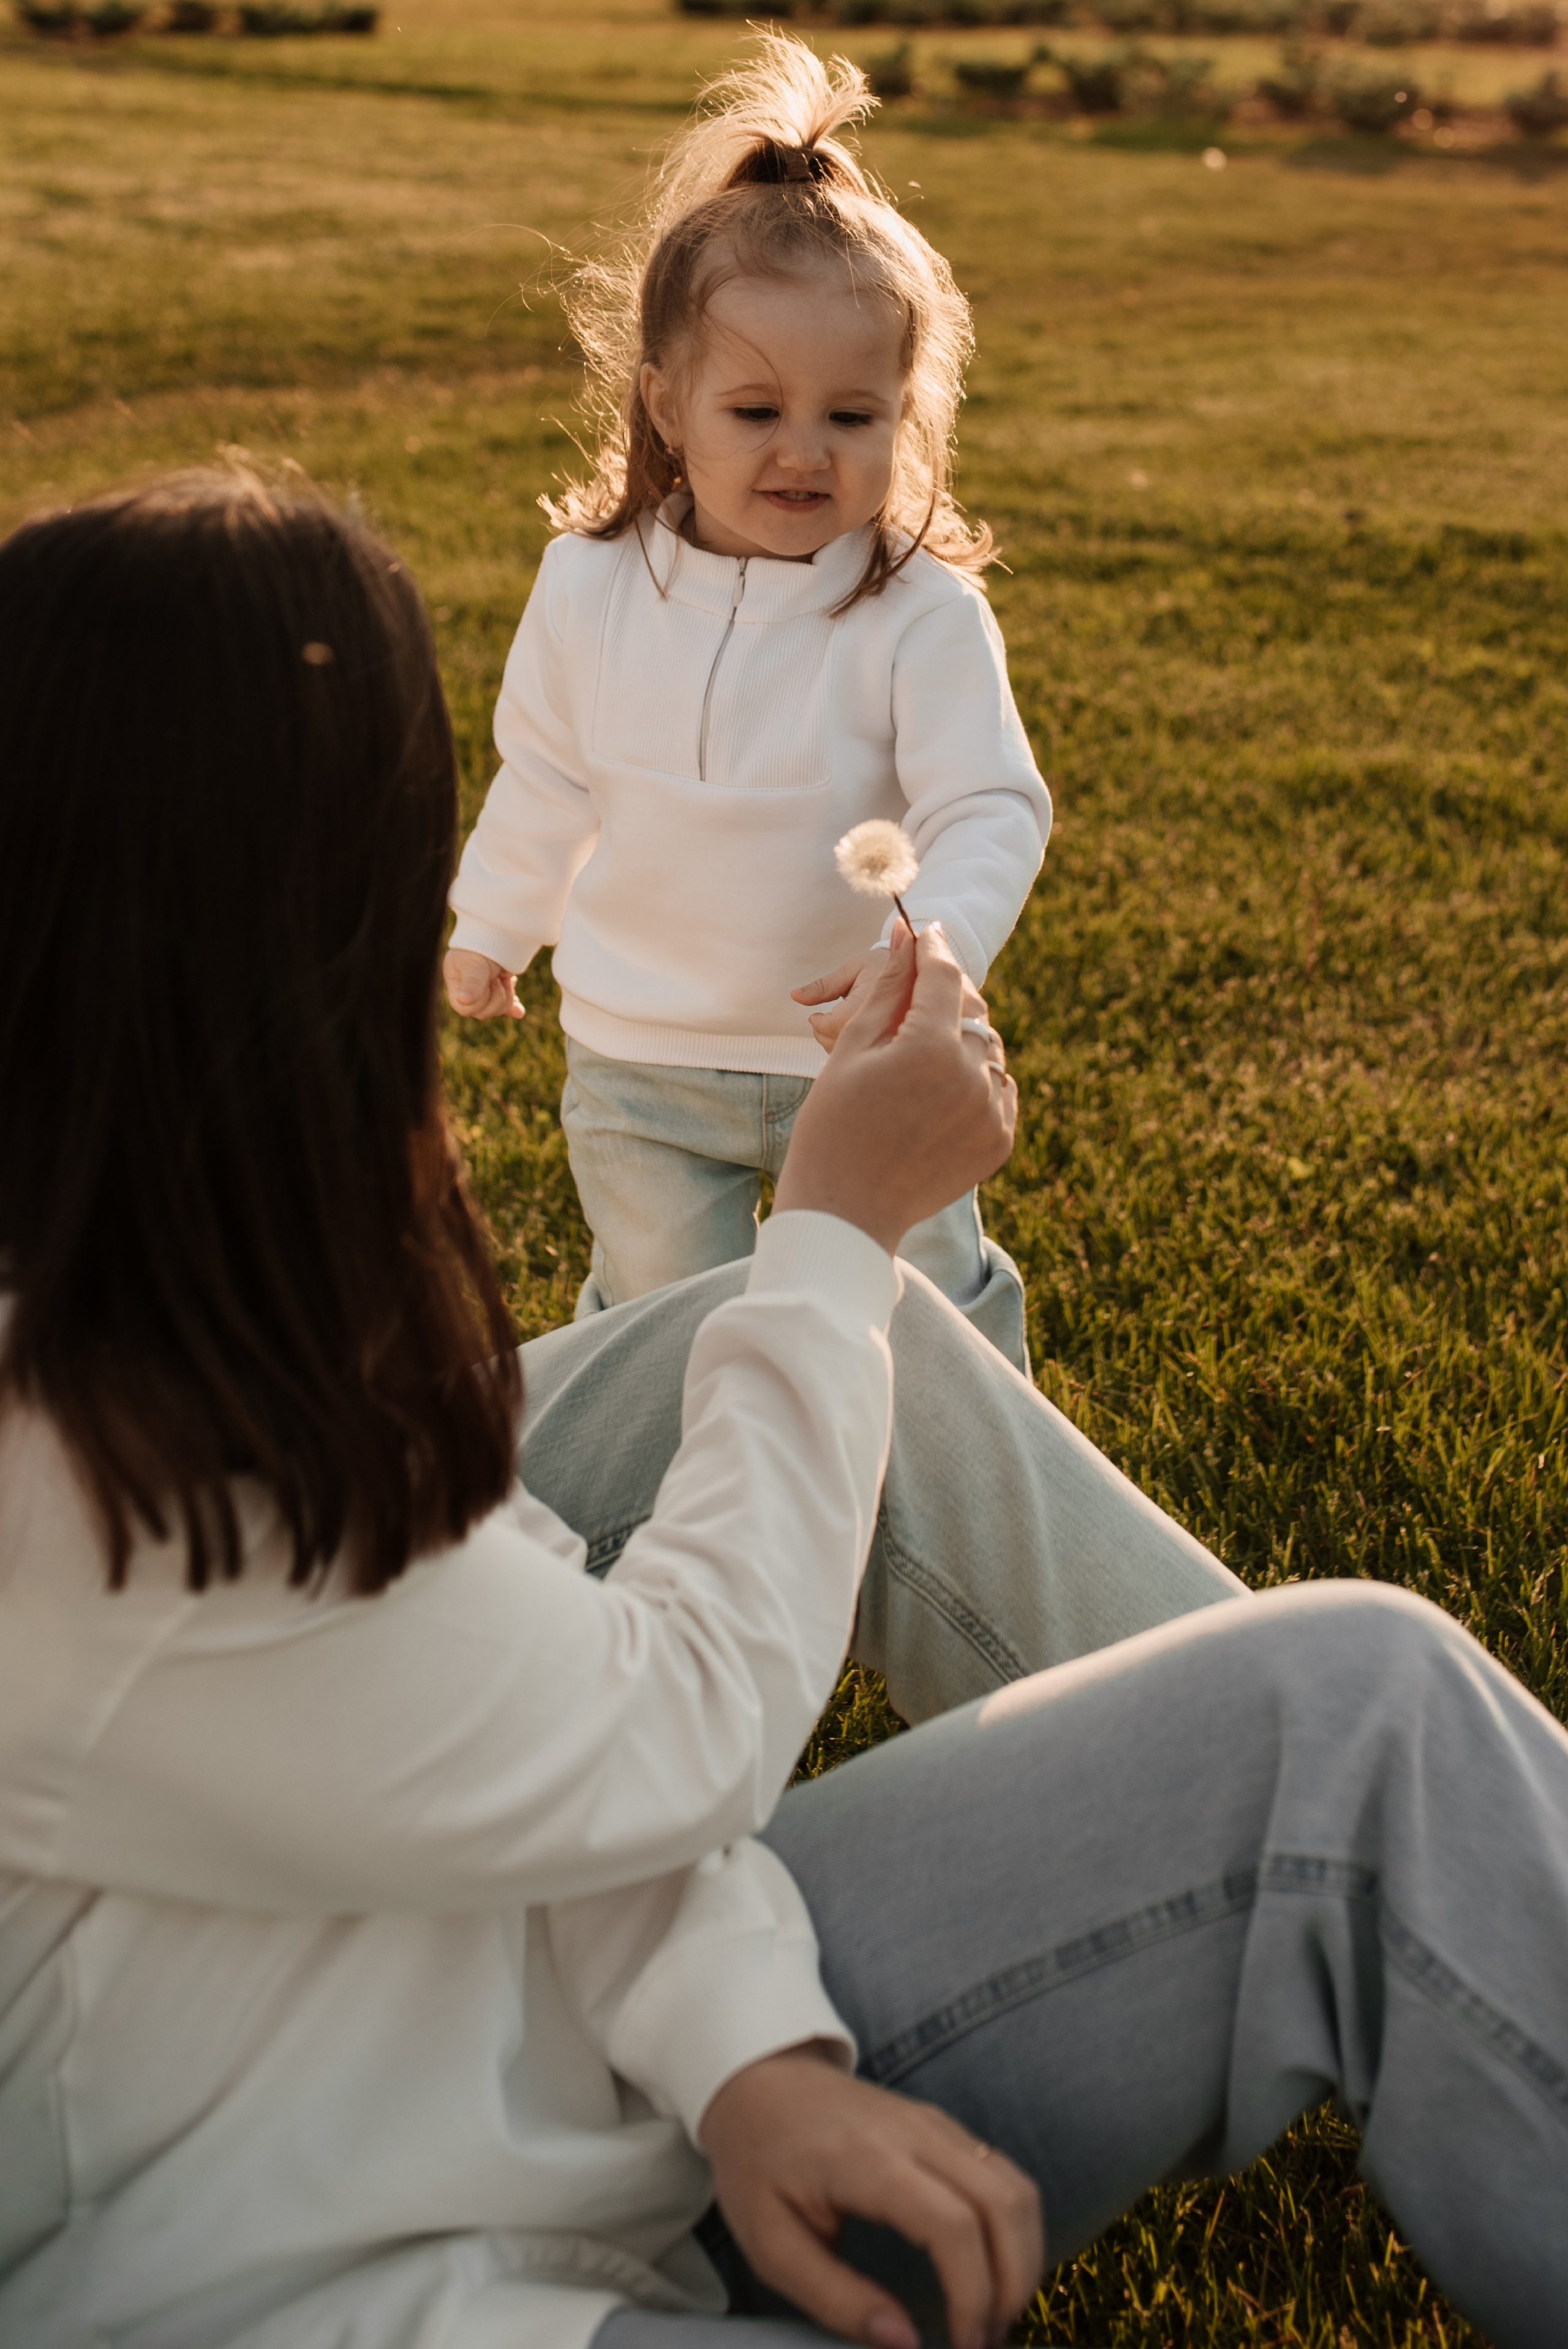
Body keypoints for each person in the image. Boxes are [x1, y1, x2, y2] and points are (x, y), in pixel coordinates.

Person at [2, 476, 1566, 2349]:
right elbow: (659, 1720)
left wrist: (744, 2042)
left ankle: (1456, 1921)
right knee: (811, 1322)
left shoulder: (191, 1267)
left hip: (601, 2093)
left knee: (1359, 1702)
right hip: (384, 2288)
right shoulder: (85, 1461)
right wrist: (832, 1225)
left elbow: (531, 1674)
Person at [442, 36, 1051, 1372]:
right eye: (755, 406)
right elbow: (544, 770)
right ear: (664, 403)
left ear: (906, 416)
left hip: (868, 1057)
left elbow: (990, 802)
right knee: (663, 1321)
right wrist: (494, 919)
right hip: (640, 1055)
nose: (802, 450)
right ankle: (676, 1522)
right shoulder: (589, 586)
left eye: (851, 415)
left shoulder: (919, 614)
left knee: (928, 1320)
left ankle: (975, 1502)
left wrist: (929, 954)